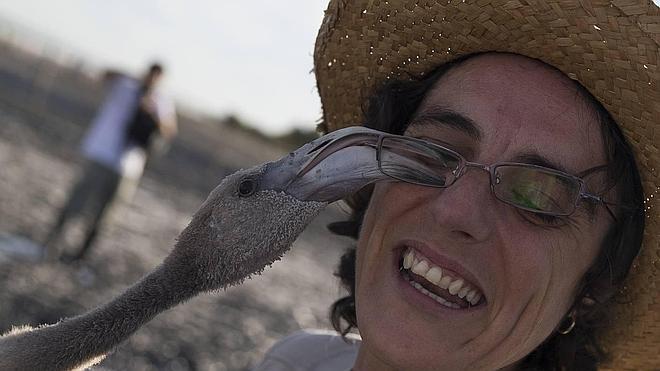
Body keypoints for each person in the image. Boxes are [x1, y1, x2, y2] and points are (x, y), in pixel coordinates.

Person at [255, 1, 658, 370]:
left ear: (593, 287)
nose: (454, 211)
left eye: (538, 197)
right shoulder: (293, 360)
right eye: (432, 151)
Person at [44, 63, 177, 262]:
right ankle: (51, 243)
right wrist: (136, 80)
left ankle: (80, 255)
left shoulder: (161, 101)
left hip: (127, 167)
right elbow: (104, 74)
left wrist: (152, 114)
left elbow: (169, 131)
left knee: (104, 214)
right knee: (76, 202)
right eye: (151, 75)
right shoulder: (125, 86)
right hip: (100, 154)